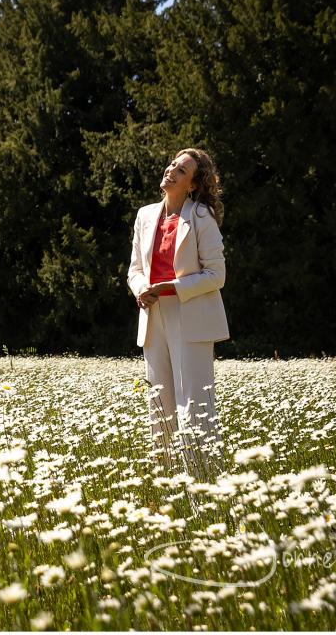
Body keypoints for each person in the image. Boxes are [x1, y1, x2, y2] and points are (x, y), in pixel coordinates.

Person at [127, 148, 229, 479]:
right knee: (159, 409)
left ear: (193, 185)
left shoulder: (201, 217)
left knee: (195, 407)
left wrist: (172, 286)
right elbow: (135, 270)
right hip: (153, 318)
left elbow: (217, 275)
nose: (171, 171)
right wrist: (141, 287)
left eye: (181, 170)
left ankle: (205, 486)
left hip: (192, 317)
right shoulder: (144, 215)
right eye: (172, 165)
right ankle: (168, 487)